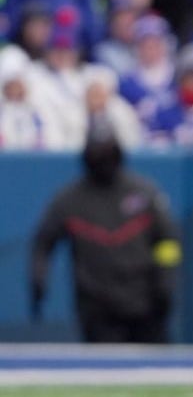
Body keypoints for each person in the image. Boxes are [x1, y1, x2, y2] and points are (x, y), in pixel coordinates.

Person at [29, 119, 181, 343]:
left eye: (107, 152)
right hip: (97, 308)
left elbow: (168, 240)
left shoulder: (144, 193)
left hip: (146, 303)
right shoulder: (70, 200)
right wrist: (39, 278)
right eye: (98, 153)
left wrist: (165, 281)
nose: (103, 160)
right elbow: (43, 242)